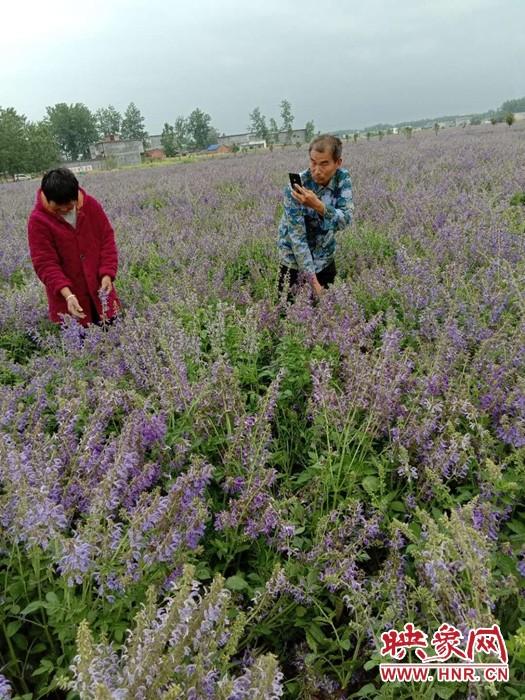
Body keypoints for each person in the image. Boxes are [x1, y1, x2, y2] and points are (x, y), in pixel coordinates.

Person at [27, 168, 120, 326]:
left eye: (69, 206)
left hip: (101, 293)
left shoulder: (90, 206)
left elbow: (107, 240)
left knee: (116, 341)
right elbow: (45, 263)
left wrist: (107, 274)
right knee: (80, 346)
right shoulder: (38, 221)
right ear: (46, 197)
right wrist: (68, 295)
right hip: (68, 300)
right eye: (58, 206)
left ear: (76, 194)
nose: (64, 210)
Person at [277, 134, 354, 298]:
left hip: (324, 255)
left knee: (330, 311)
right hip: (294, 261)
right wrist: (313, 283)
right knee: (288, 313)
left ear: (337, 163)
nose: (317, 170)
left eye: (324, 164)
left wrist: (317, 205)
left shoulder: (342, 179)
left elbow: (345, 220)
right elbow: (297, 239)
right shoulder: (297, 187)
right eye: (313, 162)